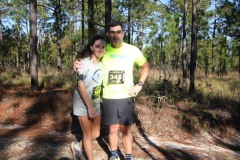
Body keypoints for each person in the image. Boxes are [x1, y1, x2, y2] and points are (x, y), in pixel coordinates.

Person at [74, 21, 150, 160]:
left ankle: (128, 156)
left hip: (126, 97)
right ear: (108, 34)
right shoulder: (104, 49)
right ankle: (114, 155)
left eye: (118, 32)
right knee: (112, 129)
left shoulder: (132, 50)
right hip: (108, 97)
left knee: (126, 130)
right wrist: (76, 63)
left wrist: (139, 84)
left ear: (123, 33)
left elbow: (145, 66)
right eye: (112, 32)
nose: (116, 35)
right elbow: (89, 58)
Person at [71, 35, 106, 160]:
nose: (100, 49)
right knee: (87, 134)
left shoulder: (103, 64)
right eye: (97, 46)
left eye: (103, 47)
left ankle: (77, 146)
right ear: (91, 47)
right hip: (82, 103)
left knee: (95, 133)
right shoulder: (84, 63)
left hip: (95, 103)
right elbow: (80, 86)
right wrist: (89, 107)